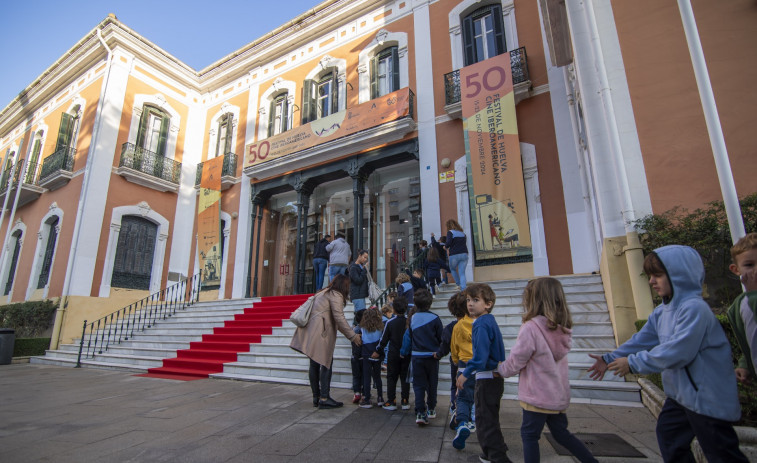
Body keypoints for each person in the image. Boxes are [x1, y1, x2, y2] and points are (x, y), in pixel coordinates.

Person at [588, 245, 748, 463]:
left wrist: (633, 363)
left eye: (658, 275)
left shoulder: (694, 309)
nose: (652, 281)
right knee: (670, 439)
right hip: (681, 397)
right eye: (650, 275)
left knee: (721, 454)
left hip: (706, 397)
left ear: (680, 275)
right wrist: (608, 358)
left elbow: (678, 351)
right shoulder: (662, 311)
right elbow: (641, 340)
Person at [497, 278, 597, 463]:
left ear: (533, 300)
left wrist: (501, 370)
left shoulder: (531, 328)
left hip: (536, 395)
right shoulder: (562, 328)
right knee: (561, 434)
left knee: (529, 435)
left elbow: (518, 358)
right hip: (556, 394)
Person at [456, 283, 511, 463]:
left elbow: (480, 357)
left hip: (487, 378)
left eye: (476, 300)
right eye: (469, 300)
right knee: (490, 418)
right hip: (494, 378)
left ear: (488, 303)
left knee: (484, 420)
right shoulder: (490, 321)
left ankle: (497, 457)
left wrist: (466, 373)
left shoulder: (480, 324)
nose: (470, 304)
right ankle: (492, 451)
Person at [289, 273, 362, 409]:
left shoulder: (323, 292)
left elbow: (337, 321)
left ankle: (316, 397)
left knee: (314, 363)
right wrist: (353, 336)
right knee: (326, 362)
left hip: (311, 330)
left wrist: (349, 334)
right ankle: (324, 397)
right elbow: (339, 318)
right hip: (321, 332)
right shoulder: (336, 295)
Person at [400, 289, 442, 425]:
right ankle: (431, 408)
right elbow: (441, 338)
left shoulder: (412, 318)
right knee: (432, 383)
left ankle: (420, 412)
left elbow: (409, 336)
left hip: (417, 356)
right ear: (430, 303)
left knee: (418, 385)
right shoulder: (435, 318)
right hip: (432, 356)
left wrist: (404, 352)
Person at [726, 232, 757, 383]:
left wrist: (753, 295)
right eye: (749, 265)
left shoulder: (750, 299)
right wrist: (745, 365)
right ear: (736, 269)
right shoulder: (739, 305)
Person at [447, 292, 476, 448]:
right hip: (481, 366)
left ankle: (463, 423)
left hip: (464, 366)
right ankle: (474, 419)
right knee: (477, 396)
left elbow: (454, 348)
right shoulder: (481, 322)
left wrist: (456, 361)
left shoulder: (458, 326)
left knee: (463, 398)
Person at [373, 296, 411, 410]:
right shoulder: (409, 322)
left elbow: (383, 340)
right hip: (406, 354)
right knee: (405, 378)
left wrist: (377, 351)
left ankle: (391, 401)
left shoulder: (390, 323)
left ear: (393, 309)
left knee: (391, 377)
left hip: (393, 353)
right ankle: (405, 401)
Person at [358, 307, 384, 408]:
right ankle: (380, 397)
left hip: (366, 352)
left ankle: (367, 398)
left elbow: (363, 338)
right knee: (377, 376)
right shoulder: (380, 327)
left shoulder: (363, 327)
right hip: (376, 351)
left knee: (367, 377)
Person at [445, 219, 469, 291]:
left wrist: (445, 246)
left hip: (454, 254)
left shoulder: (450, 232)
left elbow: (448, 243)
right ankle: (463, 288)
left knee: (452, 269)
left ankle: (458, 284)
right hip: (464, 254)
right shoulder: (462, 233)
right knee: (462, 273)